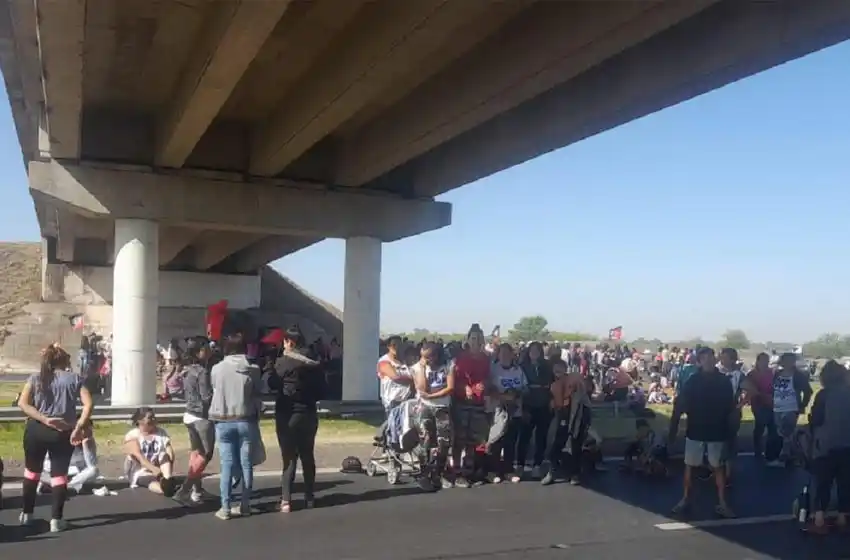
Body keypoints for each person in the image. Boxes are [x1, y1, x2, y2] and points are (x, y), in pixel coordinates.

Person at [17, 344, 93, 532]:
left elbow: (23, 403)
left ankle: (27, 514)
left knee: (31, 472)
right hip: (63, 431)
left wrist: (44, 418)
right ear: (63, 360)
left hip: (37, 429)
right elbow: (88, 404)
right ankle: (56, 519)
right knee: (59, 475)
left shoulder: (35, 378)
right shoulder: (75, 379)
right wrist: (79, 426)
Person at [668, 347, 736, 518]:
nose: (709, 361)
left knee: (718, 467)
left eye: (711, 357)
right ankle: (685, 498)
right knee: (689, 466)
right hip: (696, 430)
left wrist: (731, 432)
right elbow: (680, 405)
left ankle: (722, 503)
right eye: (705, 358)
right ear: (698, 362)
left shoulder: (724, 381)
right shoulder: (693, 381)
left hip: (717, 431)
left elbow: (731, 408)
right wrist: (673, 430)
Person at [269, 327, 326, 512]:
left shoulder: (283, 362)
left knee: (289, 458)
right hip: (308, 413)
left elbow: (271, 383)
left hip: (287, 413)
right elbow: (322, 389)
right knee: (307, 455)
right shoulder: (314, 364)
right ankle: (309, 496)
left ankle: (286, 500)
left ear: (288, 342)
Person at [209, 333, 263, 520]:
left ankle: (225, 508)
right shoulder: (253, 369)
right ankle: (245, 505)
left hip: (222, 420)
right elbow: (258, 393)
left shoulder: (217, 369)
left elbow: (214, 388)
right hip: (245, 419)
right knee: (247, 464)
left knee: (227, 466)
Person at [808, 360, 850, 533]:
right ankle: (842, 516)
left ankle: (819, 519)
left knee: (822, 482)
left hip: (825, 445)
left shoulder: (823, 395)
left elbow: (816, 419)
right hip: (847, 443)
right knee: (845, 483)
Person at [173, 337, 215, 506]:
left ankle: (197, 491)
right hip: (202, 417)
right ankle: (185, 489)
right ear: (199, 352)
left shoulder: (187, 369)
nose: (210, 351)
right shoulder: (202, 372)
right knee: (206, 455)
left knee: (195, 453)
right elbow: (206, 397)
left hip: (189, 414)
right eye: (206, 348)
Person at [450, 324, 492, 487]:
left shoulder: (486, 359)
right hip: (462, 402)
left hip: (478, 402)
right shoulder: (460, 358)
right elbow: (453, 378)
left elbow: (489, 378)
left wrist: (484, 384)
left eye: (478, 338)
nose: (476, 341)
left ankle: (468, 471)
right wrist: (463, 387)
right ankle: (456, 470)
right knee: (459, 438)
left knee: (473, 440)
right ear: (468, 340)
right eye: (473, 338)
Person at [411, 342, 454, 490]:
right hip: (425, 407)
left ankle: (438, 473)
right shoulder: (418, 367)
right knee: (426, 440)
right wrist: (423, 368)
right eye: (423, 357)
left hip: (442, 406)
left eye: (429, 357)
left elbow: (450, 387)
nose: (427, 360)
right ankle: (424, 473)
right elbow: (422, 388)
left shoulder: (448, 365)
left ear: (437, 355)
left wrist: (433, 395)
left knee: (444, 442)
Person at [543, 358, 591, 486]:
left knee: (576, 445)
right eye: (555, 368)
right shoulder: (553, 385)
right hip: (562, 416)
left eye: (560, 367)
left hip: (577, 416)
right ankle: (552, 471)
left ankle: (575, 474)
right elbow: (554, 404)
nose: (558, 370)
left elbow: (585, 389)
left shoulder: (574, 377)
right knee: (556, 444)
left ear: (565, 368)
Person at [486, 342, 526, 483]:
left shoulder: (518, 370)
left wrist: (515, 395)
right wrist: (502, 397)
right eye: (502, 353)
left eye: (507, 353)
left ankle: (508, 470)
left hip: (515, 410)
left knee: (510, 442)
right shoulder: (493, 369)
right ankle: (493, 471)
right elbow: (488, 388)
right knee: (496, 440)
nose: (505, 356)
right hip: (498, 411)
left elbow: (524, 387)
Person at [770, 352, 813, 467]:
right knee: (780, 432)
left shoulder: (798, 376)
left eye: (790, 361)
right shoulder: (777, 374)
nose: (787, 363)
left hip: (791, 407)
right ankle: (791, 454)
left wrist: (802, 405)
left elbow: (808, 391)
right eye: (785, 361)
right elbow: (773, 389)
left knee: (787, 431)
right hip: (777, 408)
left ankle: (785, 455)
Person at [517, 341, 553, 479]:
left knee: (541, 437)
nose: (534, 353)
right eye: (532, 350)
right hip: (528, 404)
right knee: (524, 437)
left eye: (537, 351)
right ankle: (520, 465)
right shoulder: (522, 367)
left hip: (543, 404)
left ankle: (537, 465)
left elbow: (552, 383)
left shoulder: (547, 366)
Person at [123, 407, 178, 496]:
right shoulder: (132, 435)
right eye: (150, 417)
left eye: (154, 417)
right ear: (140, 421)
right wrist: (154, 470)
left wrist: (168, 466)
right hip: (140, 470)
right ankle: (163, 489)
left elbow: (169, 452)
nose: (154, 419)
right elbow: (139, 457)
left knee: (164, 455)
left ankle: (167, 481)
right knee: (149, 481)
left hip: (160, 469)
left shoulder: (161, 432)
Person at [38, 425, 103, 496]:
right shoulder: (59, 438)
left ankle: (64, 487)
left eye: (88, 429)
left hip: (76, 476)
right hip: (56, 473)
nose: (84, 432)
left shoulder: (89, 441)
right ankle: (61, 486)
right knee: (36, 471)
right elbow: (46, 461)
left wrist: (86, 445)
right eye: (82, 429)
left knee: (94, 470)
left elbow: (91, 465)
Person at [747, 352, 777, 459]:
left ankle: (770, 452)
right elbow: (750, 389)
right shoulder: (752, 374)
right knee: (760, 426)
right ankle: (757, 449)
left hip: (771, 403)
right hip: (758, 403)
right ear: (758, 361)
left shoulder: (772, 373)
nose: (765, 363)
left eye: (767, 361)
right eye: (763, 360)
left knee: (772, 428)